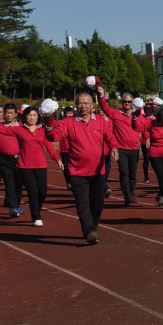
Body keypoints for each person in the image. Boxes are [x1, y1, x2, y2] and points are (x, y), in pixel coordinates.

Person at [43, 91, 118, 244]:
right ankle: (89, 231)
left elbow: (110, 137)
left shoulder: (102, 121)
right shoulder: (69, 122)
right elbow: (53, 137)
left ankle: (93, 228)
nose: (83, 106)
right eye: (80, 103)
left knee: (97, 203)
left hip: (98, 171)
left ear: (92, 106)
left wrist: (114, 148)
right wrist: (49, 124)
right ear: (76, 106)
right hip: (77, 171)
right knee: (82, 202)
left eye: (86, 103)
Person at [0, 105, 62, 227]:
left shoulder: (42, 130)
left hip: (40, 164)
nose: (31, 117)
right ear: (25, 116)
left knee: (42, 192)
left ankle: (36, 208)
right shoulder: (19, 129)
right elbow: (0, 130)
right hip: (24, 165)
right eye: (29, 115)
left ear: (38, 117)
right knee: (32, 191)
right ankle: (36, 216)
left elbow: (49, 146)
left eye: (34, 115)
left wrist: (57, 159)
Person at [97, 87, 144, 205]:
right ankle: (127, 195)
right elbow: (105, 108)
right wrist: (102, 95)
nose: (127, 104)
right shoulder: (116, 113)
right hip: (121, 149)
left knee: (133, 174)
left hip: (134, 148)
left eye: (129, 102)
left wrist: (146, 138)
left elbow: (145, 125)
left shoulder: (137, 114)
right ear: (121, 102)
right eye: (125, 101)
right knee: (124, 172)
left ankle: (130, 194)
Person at [0, 104, 25, 217]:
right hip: (5, 159)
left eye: (11, 113)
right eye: (7, 113)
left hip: (20, 159)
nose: (9, 115)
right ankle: (13, 207)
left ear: (15, 114)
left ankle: (17, 205)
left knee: (18, 185)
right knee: (9, 183)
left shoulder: (21, 127)